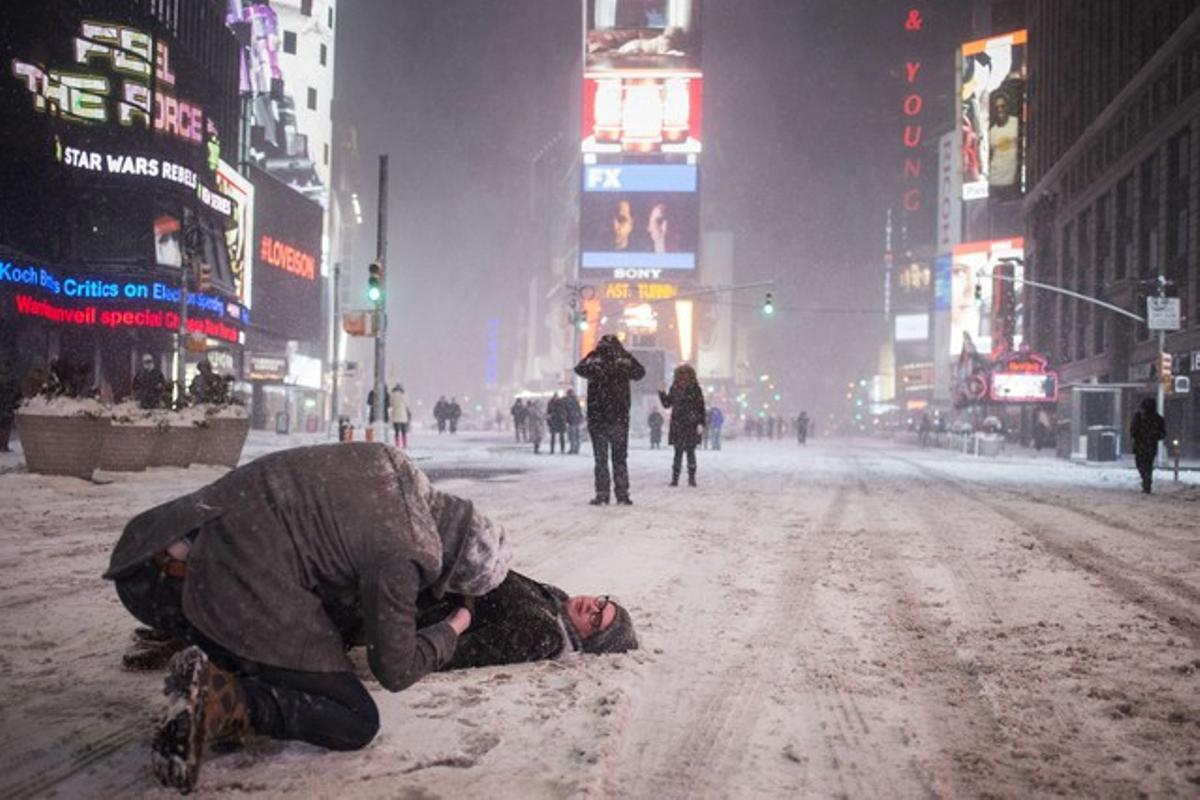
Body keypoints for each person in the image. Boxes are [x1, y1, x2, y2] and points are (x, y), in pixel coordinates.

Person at [103, 443, 510, 792]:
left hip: (146, 557)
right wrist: (454, 626)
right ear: (455, 572)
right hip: (199, 587)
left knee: (304, 631)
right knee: (354, 719)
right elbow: (395, 669)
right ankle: (220, 698)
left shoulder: (391, 463)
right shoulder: (407, 550)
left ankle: (215, 657)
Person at [575, 335, 645, 505]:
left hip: (597, 416)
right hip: (619, 416)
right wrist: (623, 358)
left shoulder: (594, 361)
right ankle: (622, 494)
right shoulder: (623, 360)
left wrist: (594, 357)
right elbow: (640, 372)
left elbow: (579, 368)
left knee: (600, 459)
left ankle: (602, 494)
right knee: (619, 458)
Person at [658, 363, 706, 487]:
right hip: (688, 423)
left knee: (682, 453)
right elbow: (667, 404)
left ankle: (680, 479)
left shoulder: (680, 388)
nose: (683, 377)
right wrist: (662, 393)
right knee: (685, 452)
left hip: (683, 423)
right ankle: (687, 479)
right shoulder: (692, 388)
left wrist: (701, 422)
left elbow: (667, 404)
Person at [1130, 398, 1166, 494]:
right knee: (1144, 465)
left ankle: (1146, 482)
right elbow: (1133, 430)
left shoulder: (1156, 419)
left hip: (1145, 445)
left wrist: (1152, 435)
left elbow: (1162, 433)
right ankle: (1146, 479)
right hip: (1146, 445)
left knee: (1144, 464)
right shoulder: (1140, 417)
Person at [389, 383, 411, 448]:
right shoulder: (404, 395)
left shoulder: (392, 395)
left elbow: (390, 404)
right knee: (403, 431)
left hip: (395, 416)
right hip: (403, 416)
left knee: (396, 431)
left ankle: (397, 444)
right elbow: (407, 405)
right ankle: (404, 444)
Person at [563, 388, 584, 454]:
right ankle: (576, 449)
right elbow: (579, 410)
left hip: (571, 421)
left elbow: (566, 411)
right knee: (577, 436)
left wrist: (566, 419)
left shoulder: (567, 401)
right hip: (576, 420)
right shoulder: (576, 400)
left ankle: (573, 449)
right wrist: (580, 417)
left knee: (572, 436)